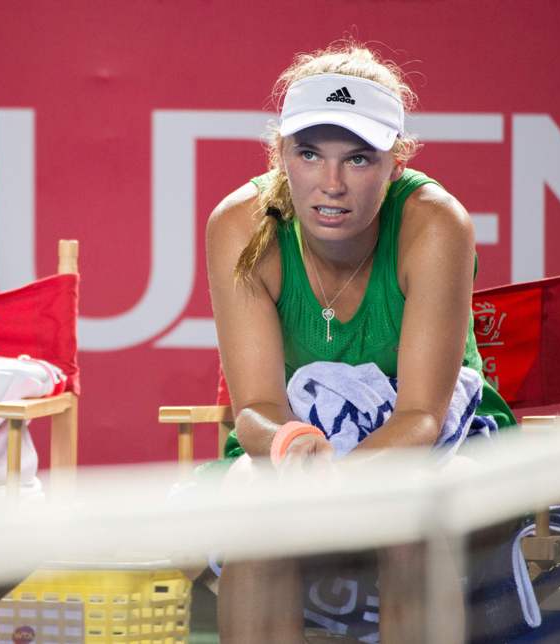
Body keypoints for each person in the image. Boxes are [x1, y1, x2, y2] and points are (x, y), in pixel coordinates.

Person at [205, 42, 515, 642]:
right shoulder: (238, 224)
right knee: (251, 509)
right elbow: (255, 411)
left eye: (359, 159)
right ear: (280, 156)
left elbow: (422, 416)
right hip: (299, 439)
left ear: (396, 162)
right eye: (310, 153)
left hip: (432, 437)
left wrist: (340, 481)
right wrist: (294, 445)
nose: (331, 184)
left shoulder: (436, 224)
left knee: (408, 513)